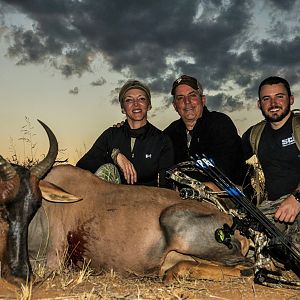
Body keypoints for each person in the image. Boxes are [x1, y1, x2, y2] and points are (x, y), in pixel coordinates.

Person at [76, 80, 174, 188]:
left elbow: (166, 184)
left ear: (149, 105)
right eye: (129, 100)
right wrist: (115, 156)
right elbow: (82, 167)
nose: (136, 104)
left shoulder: (162, 140)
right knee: (108, 169)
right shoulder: (111, 135)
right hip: (113, 200)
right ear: (123, 109)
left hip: (148, 201)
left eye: (141, 99)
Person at [242, 76, 300, 242]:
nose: (273, 103)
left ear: (291, 99)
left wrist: (297, 198)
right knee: (244, 241)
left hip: (296, 199)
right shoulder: (252, 135)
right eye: (266, 98)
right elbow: (241, 175)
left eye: (279, 96)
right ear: (259, 104)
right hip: (274, 207)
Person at [164, 75, 248, 187]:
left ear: (202, 100)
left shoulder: (220, 123)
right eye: (180, 98)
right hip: (183, 195)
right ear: (175, 106)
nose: (187, 102)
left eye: (192, 95)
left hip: (225, 195)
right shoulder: (169, 134)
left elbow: (226, 169)